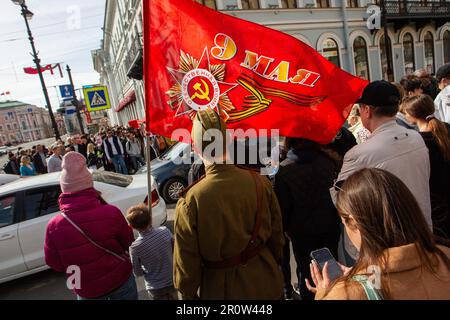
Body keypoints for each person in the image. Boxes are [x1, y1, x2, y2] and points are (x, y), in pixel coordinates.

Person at [174, 108, 284, 299]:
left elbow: (186, 267)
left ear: (197, 149)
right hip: (266, 279)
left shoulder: (190, 201)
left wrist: (188, 295)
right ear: (229, 141)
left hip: (221, 290)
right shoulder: (260, 182)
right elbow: (276, 237)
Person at [307, 168, 450, 300]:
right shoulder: (445, 256)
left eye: (344, 223)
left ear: (353, 222)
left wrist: (325, 293)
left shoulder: (344, 294)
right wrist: (360, 276)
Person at [332, 80, 432, 265]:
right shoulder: (416, 138)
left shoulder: (359, 154)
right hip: (421, 234)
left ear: (367, 110)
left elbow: (342, 200)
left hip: (384, 250)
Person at [44, 152, 137, 300]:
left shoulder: (53, 226)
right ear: (89, 184)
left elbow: (53, 262)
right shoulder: (111, 212)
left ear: (64, 188)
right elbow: (128, 242)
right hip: (120, 280)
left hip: (86, 289)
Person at [274, 137, 342, 301]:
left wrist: (286, 230)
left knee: (307, 272)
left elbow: (283, 209)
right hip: (330, 226)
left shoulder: (284, 170)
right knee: (332, 269)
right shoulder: (329, 161)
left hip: (301, 233)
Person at [403, 94, 450, 238]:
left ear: (412, 114)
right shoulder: (445, 129)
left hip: (435, 202)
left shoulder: (417, 141)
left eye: (405, 112)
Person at [126, 204, 178, 300]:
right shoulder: (165, 231)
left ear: (131, 226)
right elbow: (175, 251)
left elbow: (137, 273)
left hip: (155, 287)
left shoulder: (135, 247)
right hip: (172, 279)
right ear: (150, 219)